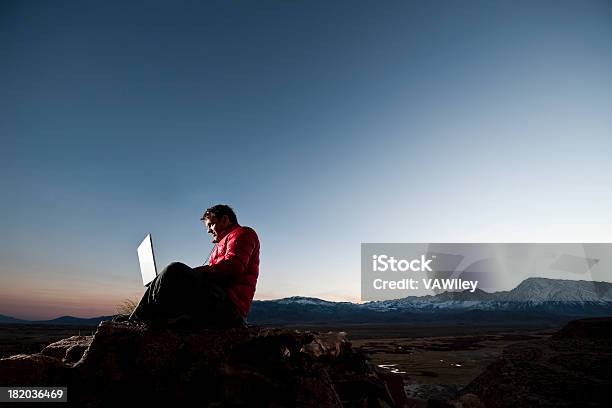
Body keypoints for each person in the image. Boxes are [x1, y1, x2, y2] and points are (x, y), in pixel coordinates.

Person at [126, 204, 260, 328]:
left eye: (211, 224)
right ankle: (144, 316)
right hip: (221, 301)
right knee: (171, 282)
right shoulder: (222, 243)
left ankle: (135, 319)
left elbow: (233, 268)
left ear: (225, 219)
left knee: (174, 269)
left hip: (231, 307)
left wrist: (195, 273)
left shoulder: (243, 233)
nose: (208, 230)